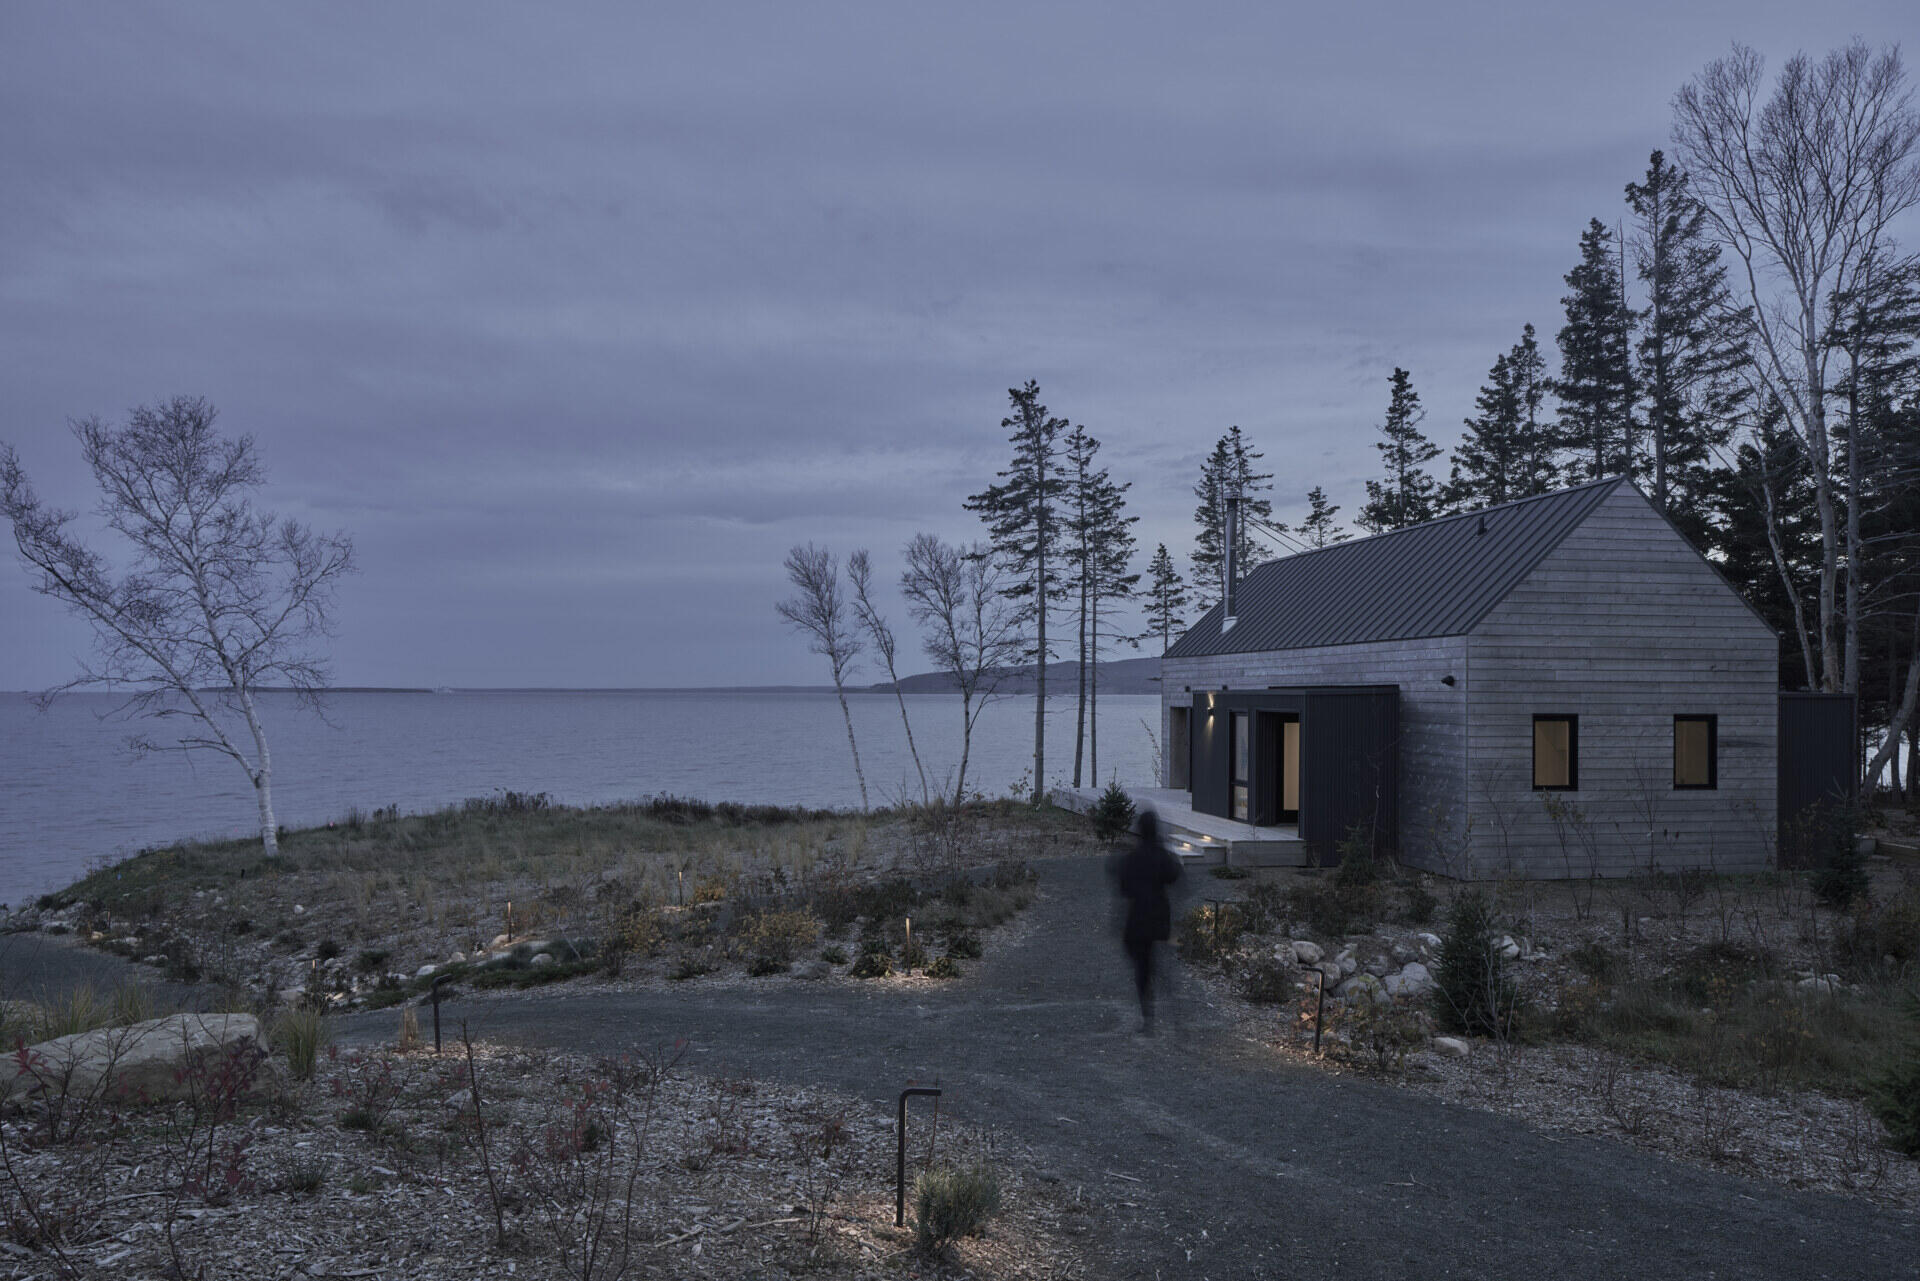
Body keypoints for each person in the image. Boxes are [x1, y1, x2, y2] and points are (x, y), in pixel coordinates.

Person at [1111, 806, 1183, 1033]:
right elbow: (1174, 875)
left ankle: (1147, 1012)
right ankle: (1164, 1000)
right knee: (1152, 962)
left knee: (1141, 965)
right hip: (1159, 918)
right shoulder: (1161, 856)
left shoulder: (1132, 859)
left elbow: (1124, 889)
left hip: (1137, 920)